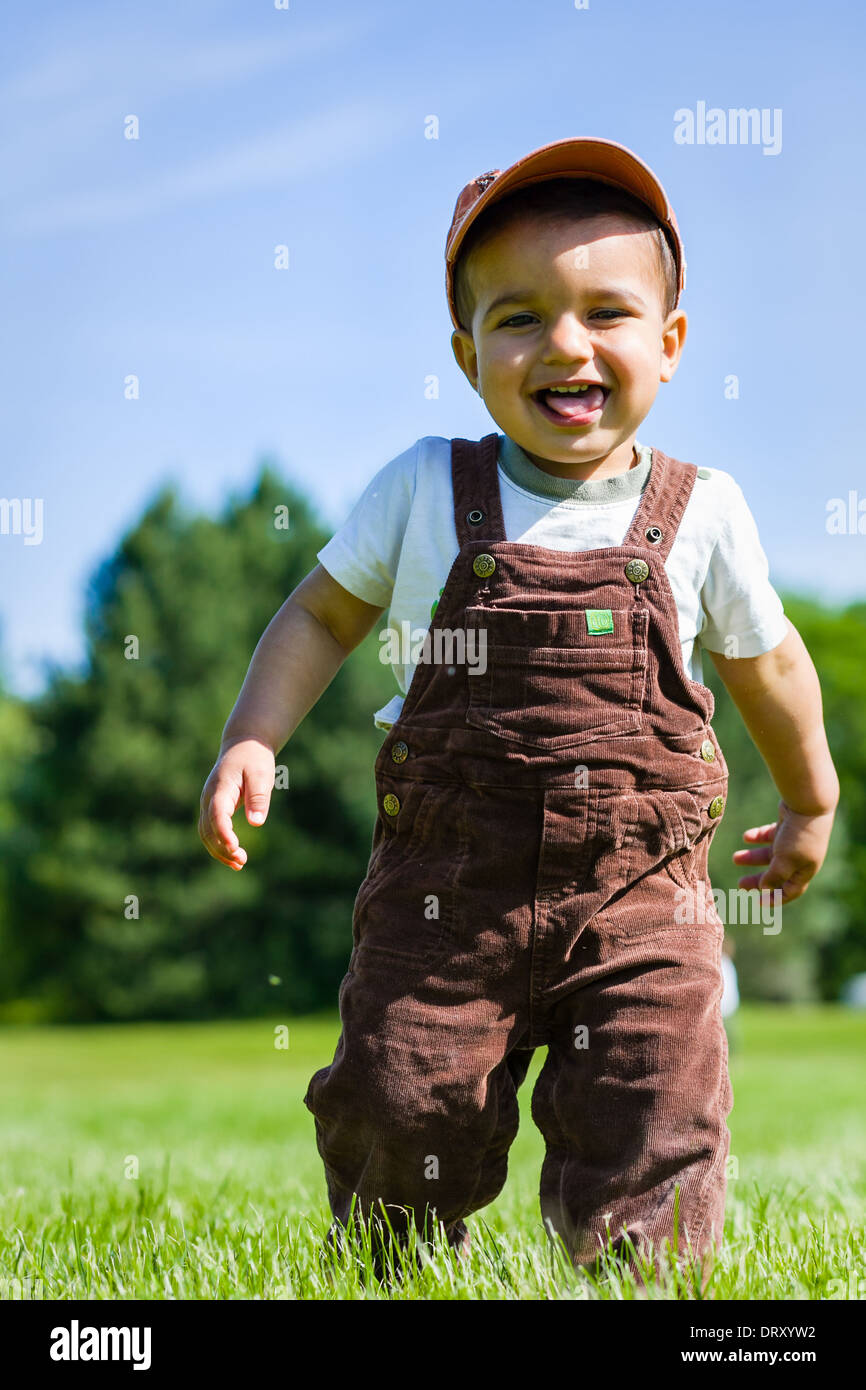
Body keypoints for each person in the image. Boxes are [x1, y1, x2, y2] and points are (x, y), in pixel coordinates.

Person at [198, 137, 839, 1287]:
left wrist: (808, 797)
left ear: (670, 342)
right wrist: (254, 735)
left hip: (640, 901)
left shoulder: (703, 514)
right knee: (400, 1093)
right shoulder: (421, 488)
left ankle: (641, 1280)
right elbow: (317, 619)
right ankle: (390, 1262)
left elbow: (771, 663)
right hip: (448, 896)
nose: (564, 344)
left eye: (606, 311)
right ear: (465, 351)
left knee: (656, 1106)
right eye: (518, 317)